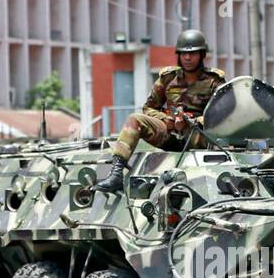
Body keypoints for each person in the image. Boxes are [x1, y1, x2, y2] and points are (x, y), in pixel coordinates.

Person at [93, 29, 227, 194]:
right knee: (135, 119)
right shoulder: (168, 78)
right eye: (183, 53)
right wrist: (168, 121)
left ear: (202, 54)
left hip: (198, 136)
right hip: (169, 133)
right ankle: (116, 174)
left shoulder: (215, 81)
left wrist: (192, 122)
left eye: (192, 53)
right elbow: (149, 108)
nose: (187, 58)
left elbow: (223, 116)